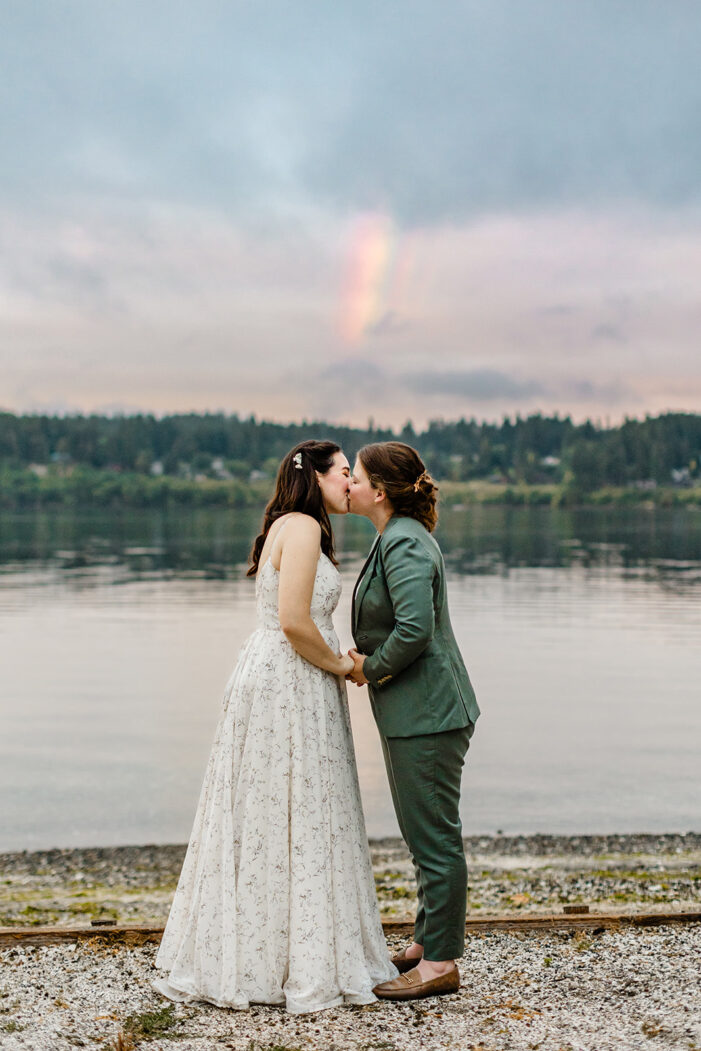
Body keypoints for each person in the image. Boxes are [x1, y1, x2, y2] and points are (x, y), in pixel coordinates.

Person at [154, 439, 397, 1014]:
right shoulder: (305, 528)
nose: (348, 482)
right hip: (291, 679)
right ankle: (289, 961)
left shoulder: (290, 524)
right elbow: (293, 621)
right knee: (300, 810)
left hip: (273, 675)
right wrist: (342, 665)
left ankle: (268, 955)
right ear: (313, 476)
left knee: (270, 814)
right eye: (341, 472)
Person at [347, 440, 480, 1002]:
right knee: (423, 832)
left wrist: (367, 669)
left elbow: (414, 630)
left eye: (355, 476)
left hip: (428, 712)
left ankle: (441, 963)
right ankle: (428, 942)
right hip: (417, 710)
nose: (348, 484)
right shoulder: (395, 537)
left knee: (435, 840)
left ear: (379, 491)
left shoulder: (403, 543)